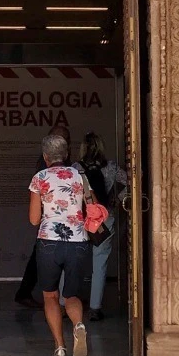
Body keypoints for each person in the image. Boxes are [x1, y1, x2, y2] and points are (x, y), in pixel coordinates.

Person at [28, 131, 90, 356]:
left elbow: (34, 219)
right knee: (72, 294)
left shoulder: (40, 178)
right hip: (78, 241)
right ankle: (79, 324)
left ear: (46, 156)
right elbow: (90, 205)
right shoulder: (79, 175)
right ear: (66, 154)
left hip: (49, 242)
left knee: (50, 296)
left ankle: (60, 346)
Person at [14, 121, 70, 309]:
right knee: (41, 257)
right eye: (60, 137)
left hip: (58, 223)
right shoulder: (45, 165)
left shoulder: (59, 164)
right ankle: (35, 293)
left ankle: (56, 297)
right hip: (50, 221)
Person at [79, 131, 127, 322]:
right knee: (99, 263)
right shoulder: (112, 168)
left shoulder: (76, 169)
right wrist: (117, 199)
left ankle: (65, 304)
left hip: (81, 218)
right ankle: (95, 307)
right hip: (104, 217)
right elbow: (128, 183)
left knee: (71, 262)